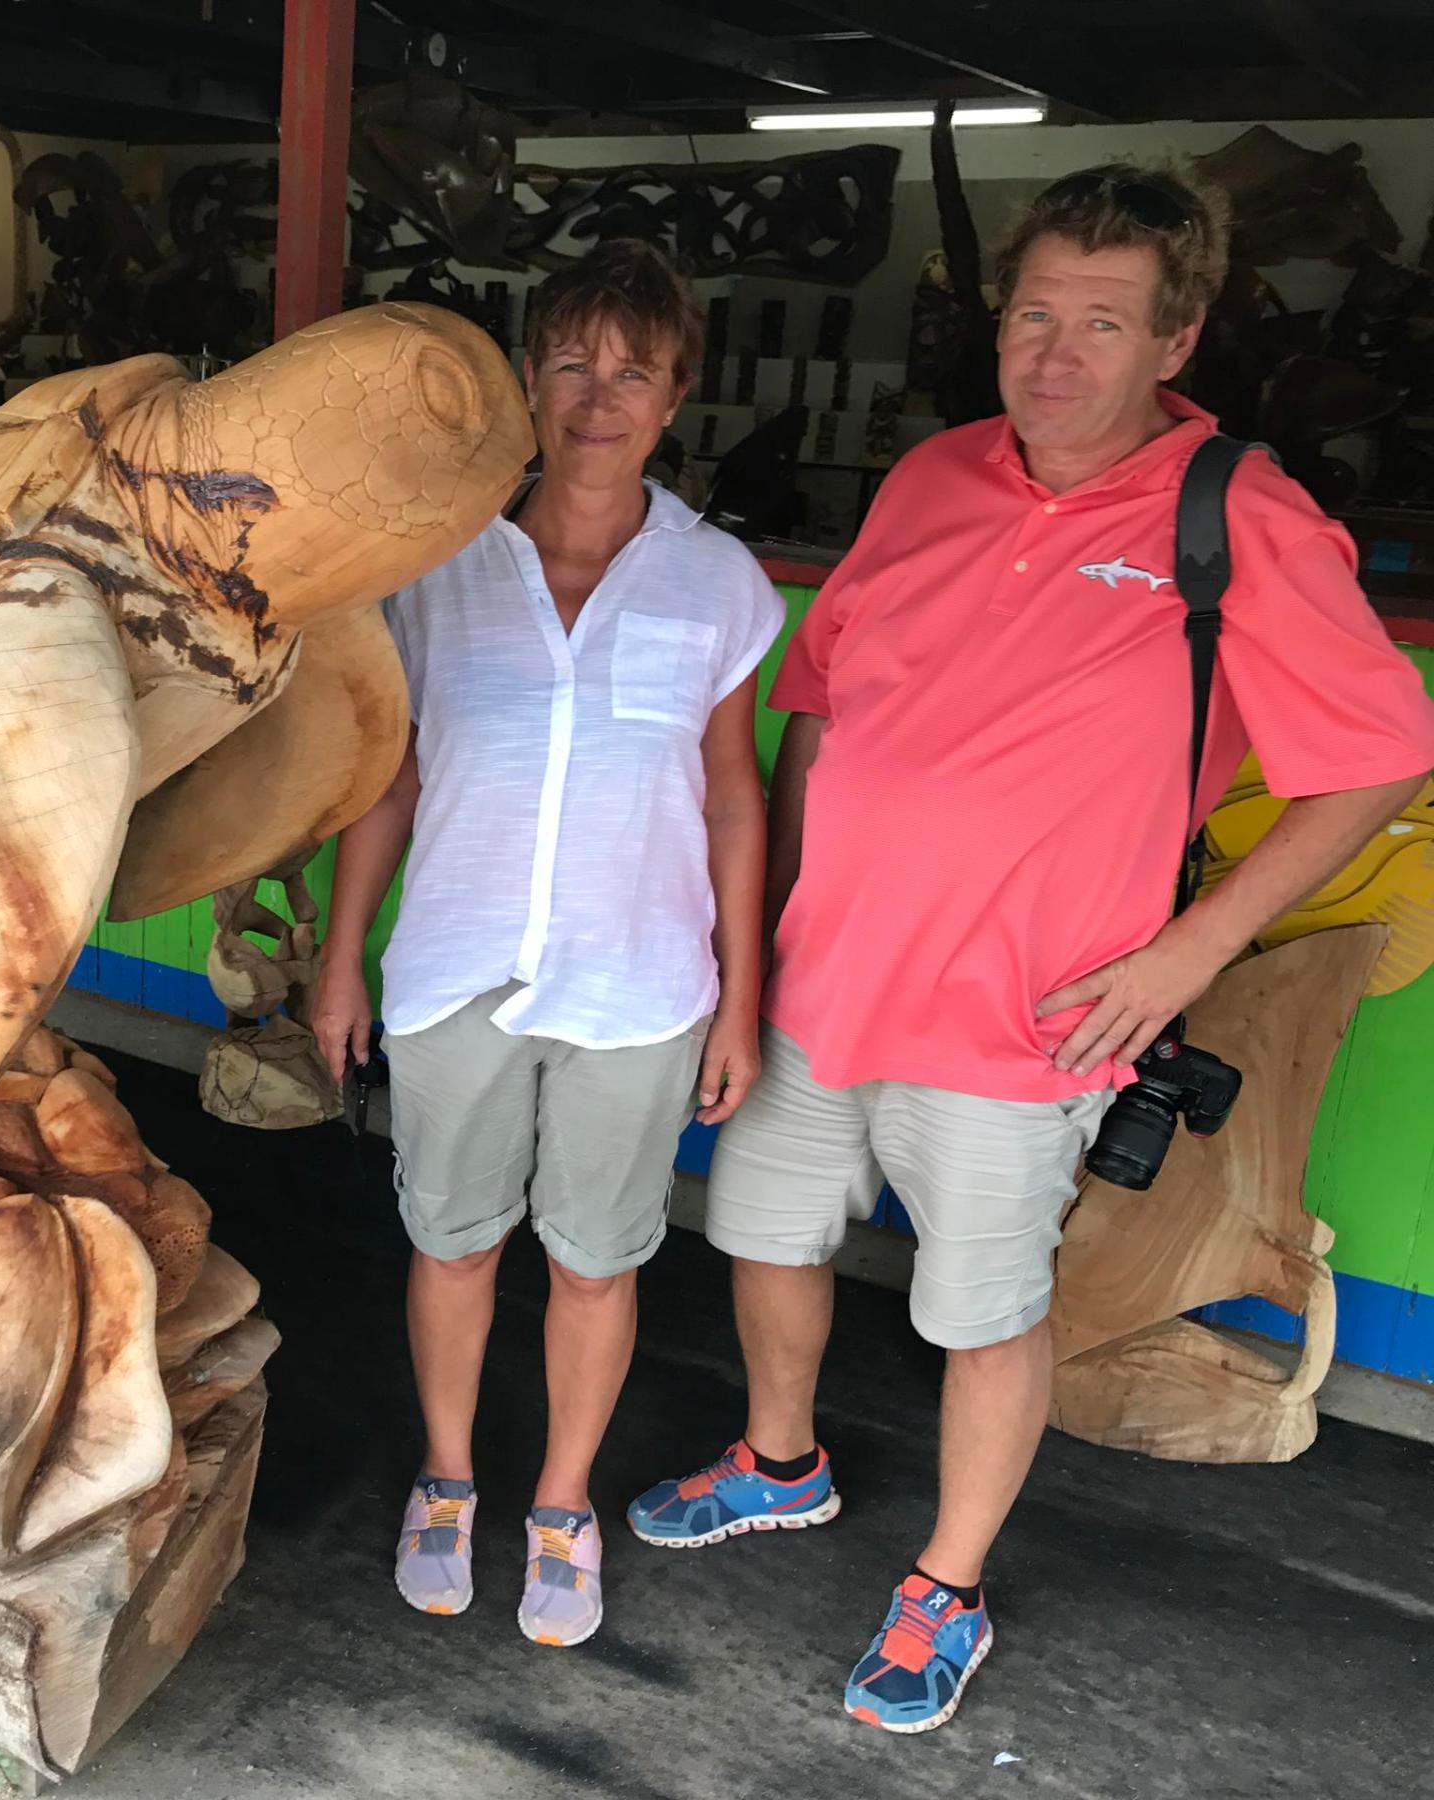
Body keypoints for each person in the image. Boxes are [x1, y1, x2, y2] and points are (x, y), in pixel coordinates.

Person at [628, 165, 1434, 1731]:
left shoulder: (1237, 516)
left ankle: (946, 1587)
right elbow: (820, 709)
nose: (1053, 355)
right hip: (823, 983)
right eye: (1031, 315)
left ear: (1176, 338)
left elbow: (1381, 757)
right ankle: (779, 1464)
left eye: (1102, 323)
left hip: (1027, 1018)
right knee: (767, 1238)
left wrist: (1191, 954)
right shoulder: (932, 475)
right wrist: (767, 934)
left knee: (987, 1311)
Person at [313, 240, 787, 1649]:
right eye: (572, 362)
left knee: (595, 1262)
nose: (599, 395)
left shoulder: (716, 584)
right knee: (454, 1246)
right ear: (527, 379)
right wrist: (342, 955)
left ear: (676, 394)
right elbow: (386, 776)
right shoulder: (442, 561)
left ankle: (563, 1502)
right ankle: (449, 1478)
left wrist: (742, 1004)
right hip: (455, 965)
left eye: (634, 370)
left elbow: (734, 799)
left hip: (640, 988)